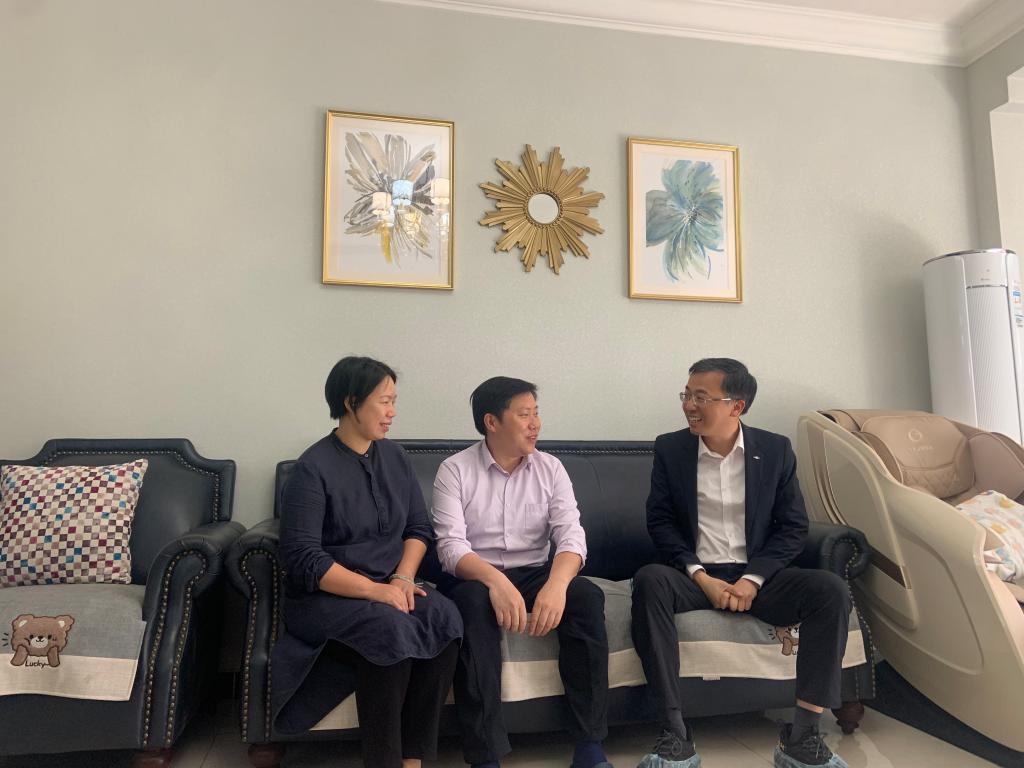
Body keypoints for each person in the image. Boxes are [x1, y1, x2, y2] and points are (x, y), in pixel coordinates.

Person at [630, 358, 850, 768]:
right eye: (686, 395)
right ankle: (674, 732)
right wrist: (701, 576)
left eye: (701, 397)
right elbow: (660, 522)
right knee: (649, 580)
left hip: (757, 577)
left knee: (830, 590)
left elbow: (793, 527)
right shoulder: (671, 449)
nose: (689, 405)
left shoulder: (775, 449)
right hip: (694, 576)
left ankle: (803, 735)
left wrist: (753, 579)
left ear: (737, 405)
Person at [272, 356, 463, 768]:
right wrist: (376, 591)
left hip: (390, 583)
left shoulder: (395, 458)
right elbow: (304, 558)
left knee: (444, 617)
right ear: (351, 402)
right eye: (384, 401)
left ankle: (414, 758)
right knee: (389, 628)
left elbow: (418, 528)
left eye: (394, 401)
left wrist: (402, 578)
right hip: (325, 597)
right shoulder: (312, 468)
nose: (392, 412)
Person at [430, 376, 613, 768]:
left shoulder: (550, 469)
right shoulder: (455, 470)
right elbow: (450, 547)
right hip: (475, 576)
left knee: (586, 596)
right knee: (471, 606)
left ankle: (589, 746)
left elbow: (571, 535)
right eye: (524, 415)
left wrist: (558, 584)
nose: (535, 424)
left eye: (536, 413)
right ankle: (485, 756)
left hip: (534, 571)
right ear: (492, 422)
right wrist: (495, 581)